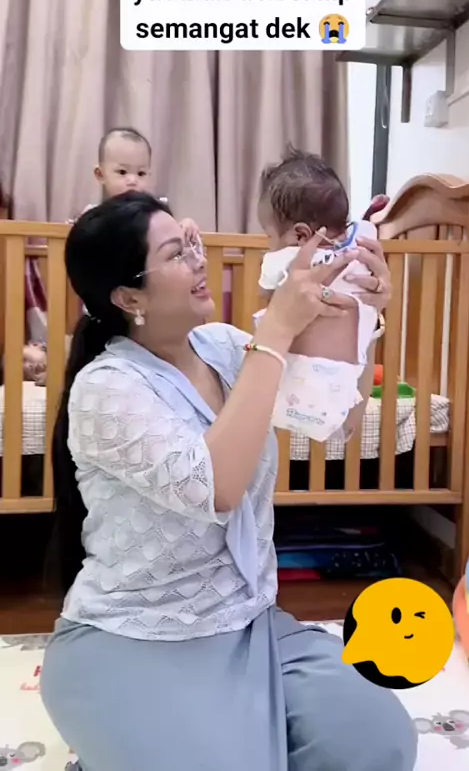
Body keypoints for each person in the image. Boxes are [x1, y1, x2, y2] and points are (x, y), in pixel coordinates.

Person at [40, 192, 416, 771]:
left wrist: (362, 317)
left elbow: (334, 417)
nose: (199, 259)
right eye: (176, 253)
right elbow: (217, 487)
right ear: (129, 297)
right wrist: (276, 332)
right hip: (136, 635)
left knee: (379, 741)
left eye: (191, 243)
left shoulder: (222, 346)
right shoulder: (105, 387)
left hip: (248, 624)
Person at [256, 147, 381, 442]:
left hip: (296, 369)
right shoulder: (362, 250)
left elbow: (264, 292)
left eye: (269, 236)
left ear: (301, 235)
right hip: (345, 374)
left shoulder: (285, 260)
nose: (270, 245)